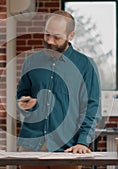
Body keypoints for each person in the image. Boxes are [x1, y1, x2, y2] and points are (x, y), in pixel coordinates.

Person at [16, 10, 101, 169]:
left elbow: (91, 108)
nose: (50, 41)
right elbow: (22, 96)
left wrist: (83, 141)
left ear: (71, 36)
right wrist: (25, 103)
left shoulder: (86, 66)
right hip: (30, 147)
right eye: (47, 34)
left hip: (68, 148)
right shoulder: (31, 62)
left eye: (56, 37)